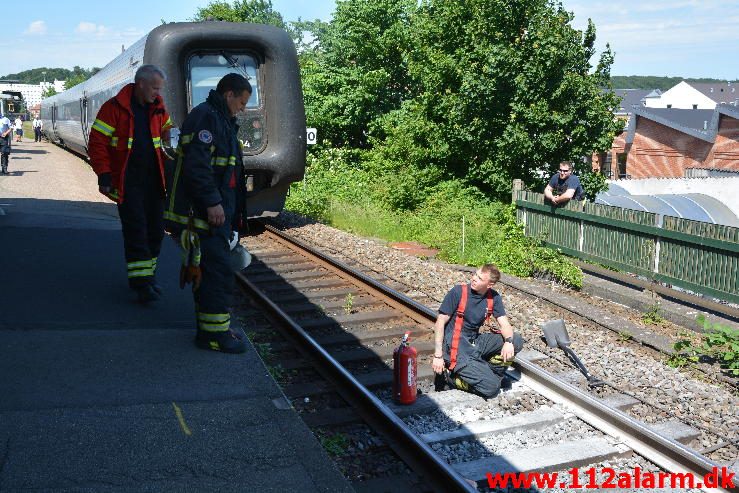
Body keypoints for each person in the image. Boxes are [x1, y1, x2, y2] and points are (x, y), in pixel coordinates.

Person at [164, 73, 251, 353]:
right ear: (229, 94)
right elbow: (197, 167)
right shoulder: (206, 117)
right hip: (205, 214)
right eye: (242, 101)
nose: (243, 107)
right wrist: (213, 202)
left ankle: (217, 328)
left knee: (214, 272)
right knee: (215, 274)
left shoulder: (220, 119)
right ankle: (213, 337)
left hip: (216, 213)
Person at [88, 65, 173, 303]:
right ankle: (141, 285)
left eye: (160, 88)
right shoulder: (114, 108)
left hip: (155, 182)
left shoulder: (159, 108)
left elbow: (168, 131)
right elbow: (97, 142)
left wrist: (175, 138)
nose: (158, 92)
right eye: (155, 87)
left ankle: (148, 276)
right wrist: (104, 174)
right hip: (128, 183)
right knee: (137, 232)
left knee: (156, 232)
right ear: (141, 84)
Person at [432, 264, 524, 398]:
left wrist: (509, 342)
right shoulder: (458, 292)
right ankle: (451, 378)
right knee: (492, 389)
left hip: (474, 341)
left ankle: (493, 374)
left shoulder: (493, 297)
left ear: (489, 284)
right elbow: (440, 322)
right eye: (475, 274)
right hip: (456, 346)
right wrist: (438, 355)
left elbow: (504, 324)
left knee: (516, 340)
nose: (474, 278)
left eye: (480, 278)